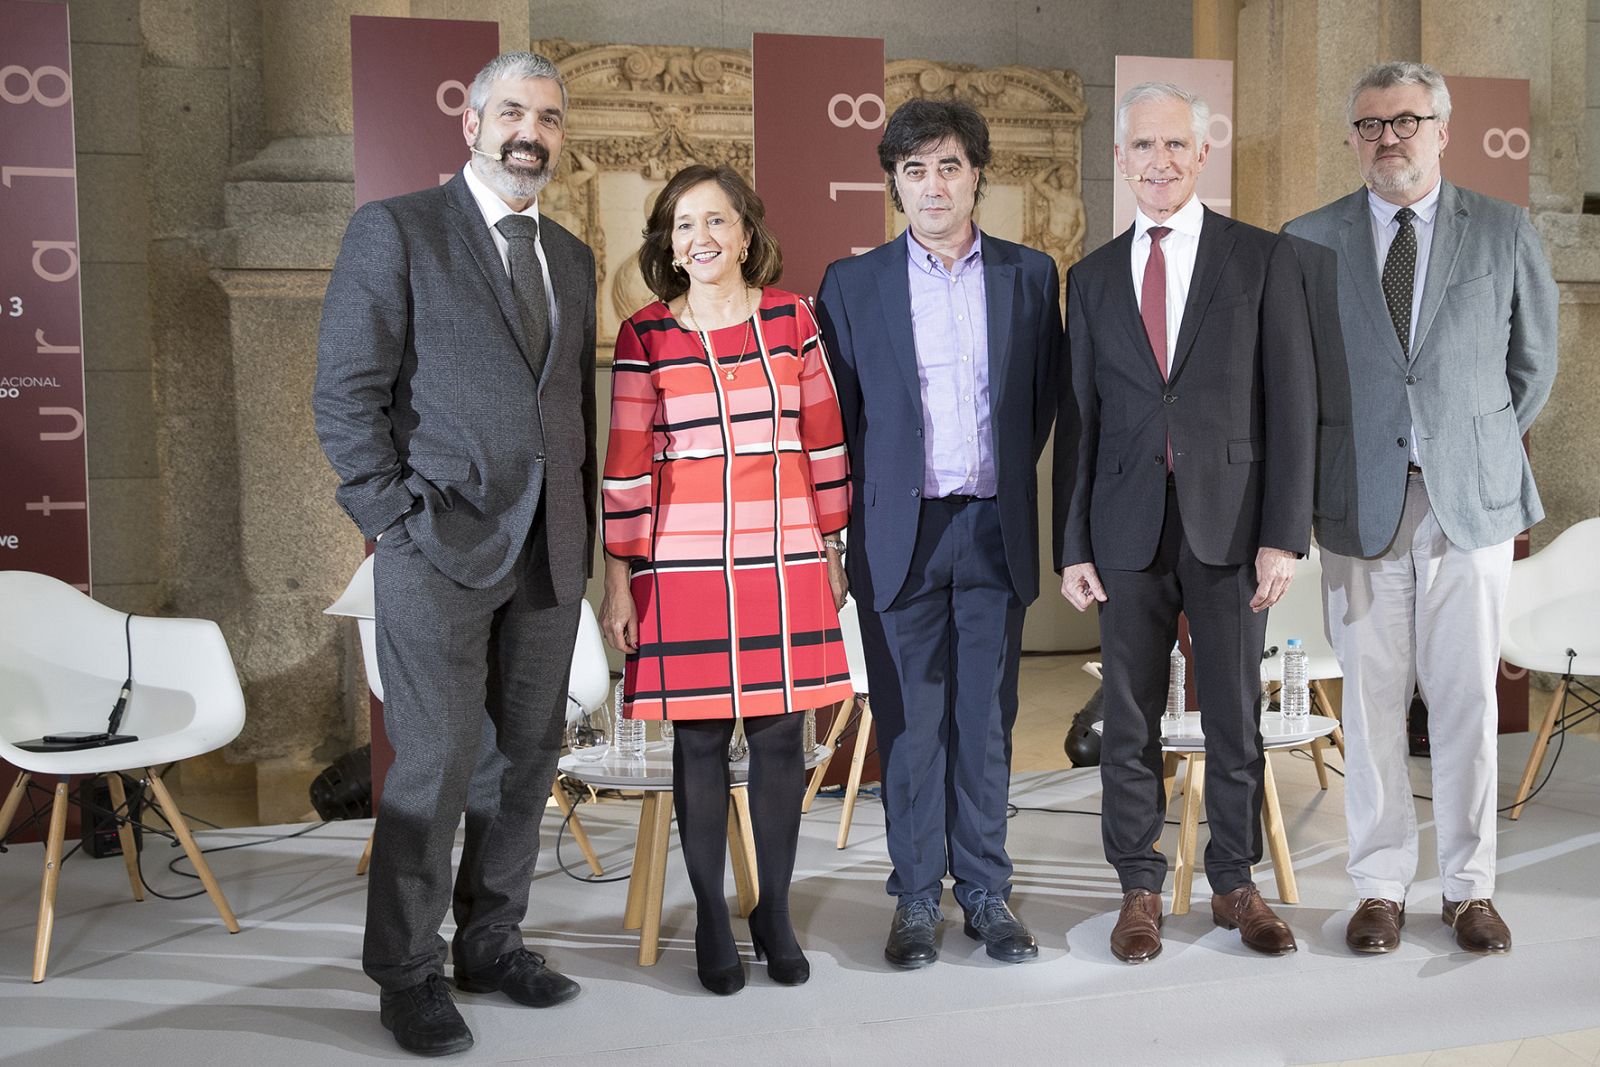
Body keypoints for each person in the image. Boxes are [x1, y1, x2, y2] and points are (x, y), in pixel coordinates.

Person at [313, 52, 595, 1056]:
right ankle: (408, 970)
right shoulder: (395, 229)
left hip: (550, 549)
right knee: (433, 765)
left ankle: (491, 939)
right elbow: (345, 392)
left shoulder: (568, 253)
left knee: (526, 759)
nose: (530, 130)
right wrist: (391, 516)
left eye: (548, 117)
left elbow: (570, 408)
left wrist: (582, 527)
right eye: (511, 111)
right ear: (470, 120)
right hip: (435, 542)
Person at [1284, 61, 1558, 956]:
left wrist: (1462, 447)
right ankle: (1379, 887)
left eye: (1406, 121)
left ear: (1442, 127)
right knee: (1367, 705)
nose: (1388, 138)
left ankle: (1471, 889)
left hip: (1467, 508)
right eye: (1369, 125)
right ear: (1354, 138)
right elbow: (1298, 380)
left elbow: (1533, 364)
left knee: (1467, 703)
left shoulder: (1504, 230)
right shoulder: (1309, 239)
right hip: (1359, 506)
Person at [1054, 82, 1316, 962]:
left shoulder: (1262, 259)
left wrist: (1285, 533)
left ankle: (1234, 882)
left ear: (1203, 155)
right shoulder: (1089, 278)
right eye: (1141, 148)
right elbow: (1080, 418)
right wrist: (1073, 544)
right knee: (1127, 720)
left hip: (1235, 528)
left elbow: (1292, 403)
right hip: (1124, 529)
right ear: (1120, 158)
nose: (1158, 162)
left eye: (1175, 146)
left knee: (1234, 716)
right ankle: (1138, 884)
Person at [816, 99, 1062, 969]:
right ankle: (917, 895)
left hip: (994, 528)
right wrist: (841, 536)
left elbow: (1036, 408)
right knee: (912, 722)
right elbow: (840, 421)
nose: (932, 186)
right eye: (914, 169)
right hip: (900, 533)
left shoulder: (1032, 277)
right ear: (893, 181)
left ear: (977, 176)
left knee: (987, 721)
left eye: (949, 166)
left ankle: (986, 890)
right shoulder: (854, 285)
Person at [599, 164, 853, 996]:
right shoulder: (645, 335)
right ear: (667, 244)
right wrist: (618, 581)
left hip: (784, 557)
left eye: (715, 221)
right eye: (682, 225)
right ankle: (710, 910)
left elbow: (823, 438)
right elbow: (628, 465)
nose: (699, 239)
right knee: (699, 742)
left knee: (783, 739)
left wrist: (833, 544)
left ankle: (770, 908)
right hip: (683, 564)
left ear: (747, 232)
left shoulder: (792, 319)